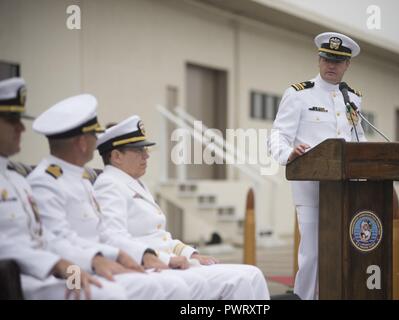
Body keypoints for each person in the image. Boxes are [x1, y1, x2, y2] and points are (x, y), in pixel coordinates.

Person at [27, 94, 193, 299]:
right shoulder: (45, 181)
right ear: (81, 142)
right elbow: (54, 240)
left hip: (89, 263)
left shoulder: (81, 180)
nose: (98, 140)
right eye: (94, 135)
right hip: (64, 273)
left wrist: (129, 255)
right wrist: (96, 260)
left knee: (169, 287)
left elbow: (103, 233)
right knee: (119, 293)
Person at [94, 115, 271, 300]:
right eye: (139, 150)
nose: (146, 155)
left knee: (252, 274)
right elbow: (113, 237)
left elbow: (158, 236)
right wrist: (166, 259)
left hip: (166, 261)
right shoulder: (109, 185)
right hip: (149, 265)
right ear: (116, 156)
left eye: (145, 149)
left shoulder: (134, 183)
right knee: (235, 281)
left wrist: (189, 253)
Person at [0, 77, 127, 300]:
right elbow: (8, 246)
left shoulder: (16, 180)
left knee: (118, 288)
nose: (21, 128)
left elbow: (43, 237)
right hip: (23, 281)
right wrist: (64, 265)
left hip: (53, 271)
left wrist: (104, 257)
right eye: (12, 120)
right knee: (110, 294)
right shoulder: (42, 180)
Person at [268, 32, 367, 300]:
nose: (331, 65)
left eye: (338, 61)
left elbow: (358, 139)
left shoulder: (353, 99)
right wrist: (287, 153)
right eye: (326, 59)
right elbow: (278, 134)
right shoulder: (299, 94)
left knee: (344, 250)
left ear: (348, 64)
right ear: (319, 59)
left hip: (346, 188)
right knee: (311, 254)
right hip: (311, 189)